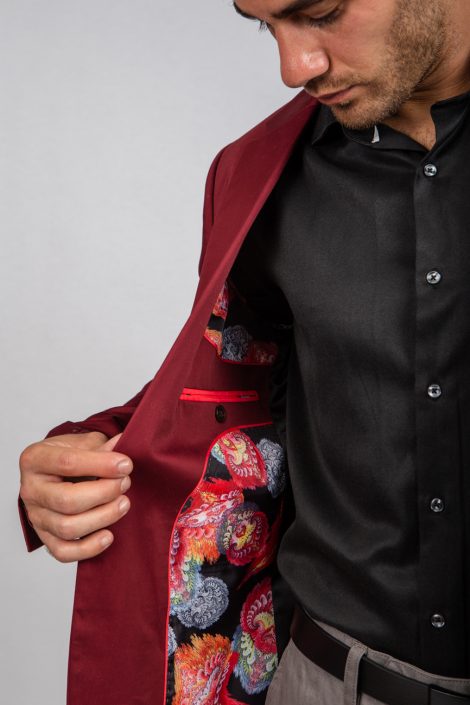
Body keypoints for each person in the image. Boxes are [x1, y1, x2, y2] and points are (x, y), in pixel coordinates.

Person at [17, 1, 470, 704]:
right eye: (265, 25)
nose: (294, 67)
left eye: (321, 12)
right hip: (320, 681)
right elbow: (236, 390)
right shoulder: (256, 175)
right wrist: (91, 457)